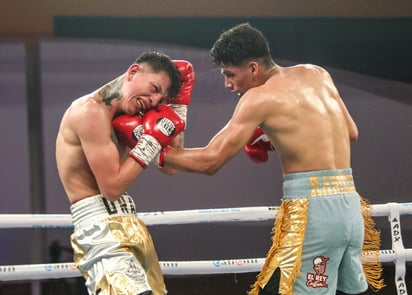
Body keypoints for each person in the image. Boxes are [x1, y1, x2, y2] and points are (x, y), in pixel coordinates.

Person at [158, 23, 384, 294]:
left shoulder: (258, 98)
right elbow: (351, 131)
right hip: (349, 209)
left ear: (253, 68)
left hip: (312, 217)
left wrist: (154, 152)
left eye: (230, 74)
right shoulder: (316, 74)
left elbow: (210, 161)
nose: (228, 84)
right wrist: (279, 137)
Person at [55, 51, 193, 295]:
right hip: (100, 227)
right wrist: (150, 141)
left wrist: (178, 111)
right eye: (153, 88)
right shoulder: (90, 113)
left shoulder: (129, 116)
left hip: (131, 223)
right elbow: (111, 188)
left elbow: (170, 168)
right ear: (133, 72)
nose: (153, 100)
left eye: (159, 99)